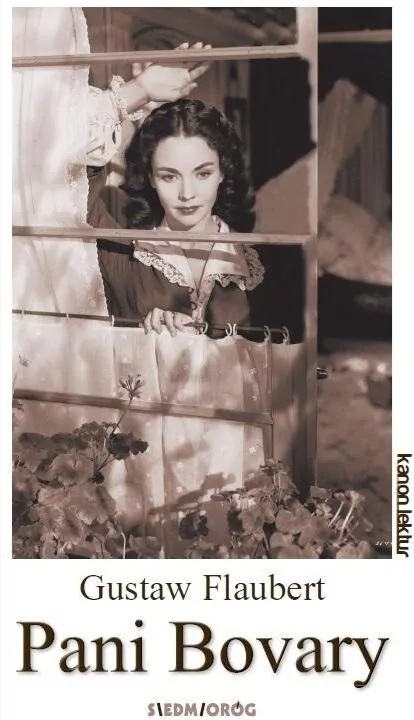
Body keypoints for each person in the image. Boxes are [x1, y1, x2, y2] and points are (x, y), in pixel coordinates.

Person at [87, 99, 270, 536]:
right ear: (150, 177)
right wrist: (127, 101)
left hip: (234, 454)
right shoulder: (121, 251)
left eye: (202, 173)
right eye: (169, 176)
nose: (187, 193)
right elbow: (69, 183)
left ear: (223, 171)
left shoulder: (255, 263)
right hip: (149, 460)